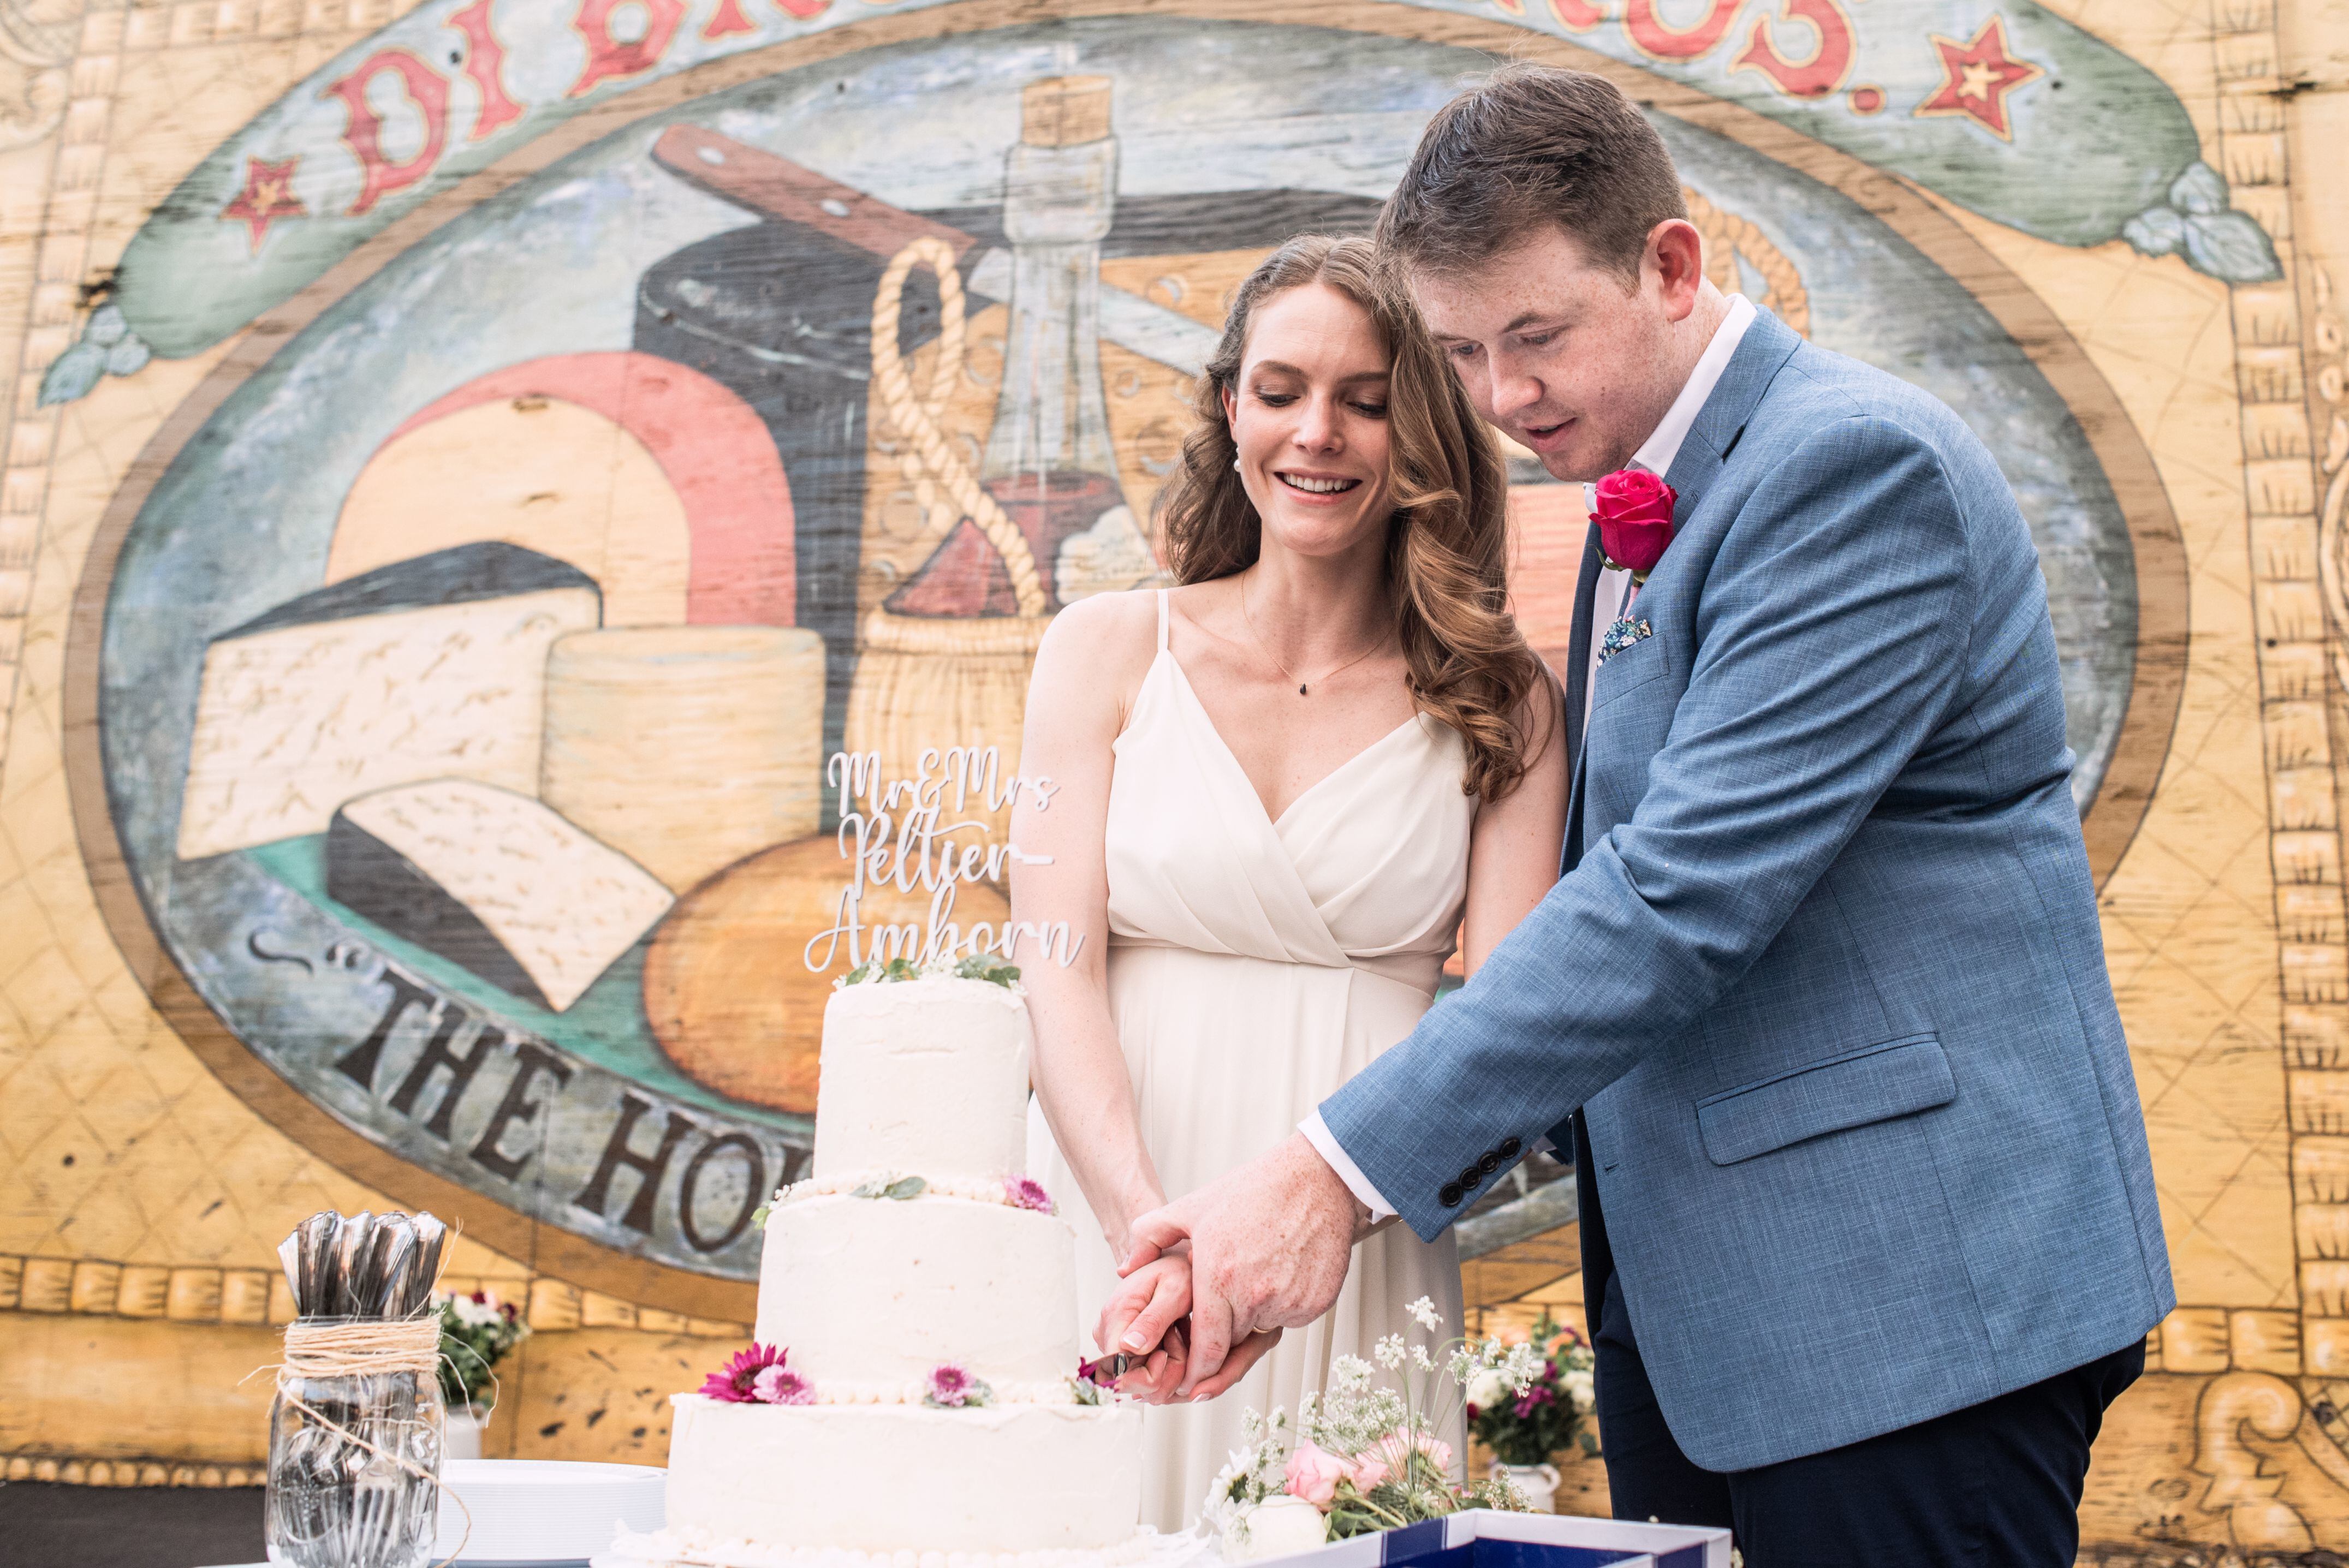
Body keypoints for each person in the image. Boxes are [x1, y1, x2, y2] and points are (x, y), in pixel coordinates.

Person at [1103, 64, 2172, 1567]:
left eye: (1537, 337)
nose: (1503, 399)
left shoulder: (1854, 469)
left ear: (1672, 265)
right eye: (1464, 353)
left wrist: (1322, 1178)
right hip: (1725, 1329)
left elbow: (1677, 897)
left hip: (1909, 1311)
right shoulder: (1636, 504)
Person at [1008, 232, 1569, 1530]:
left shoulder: (1505, 703)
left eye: (1366, 401)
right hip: (1108, 1208)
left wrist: (1289, 1234)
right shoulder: (1101, 650)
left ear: (1420, 432)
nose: (1315, 434)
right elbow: (1055, 963)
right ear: (1230, 407)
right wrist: (1150, 1239)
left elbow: (1507, 1031)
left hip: (1348, 1243)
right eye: (1280, 392)